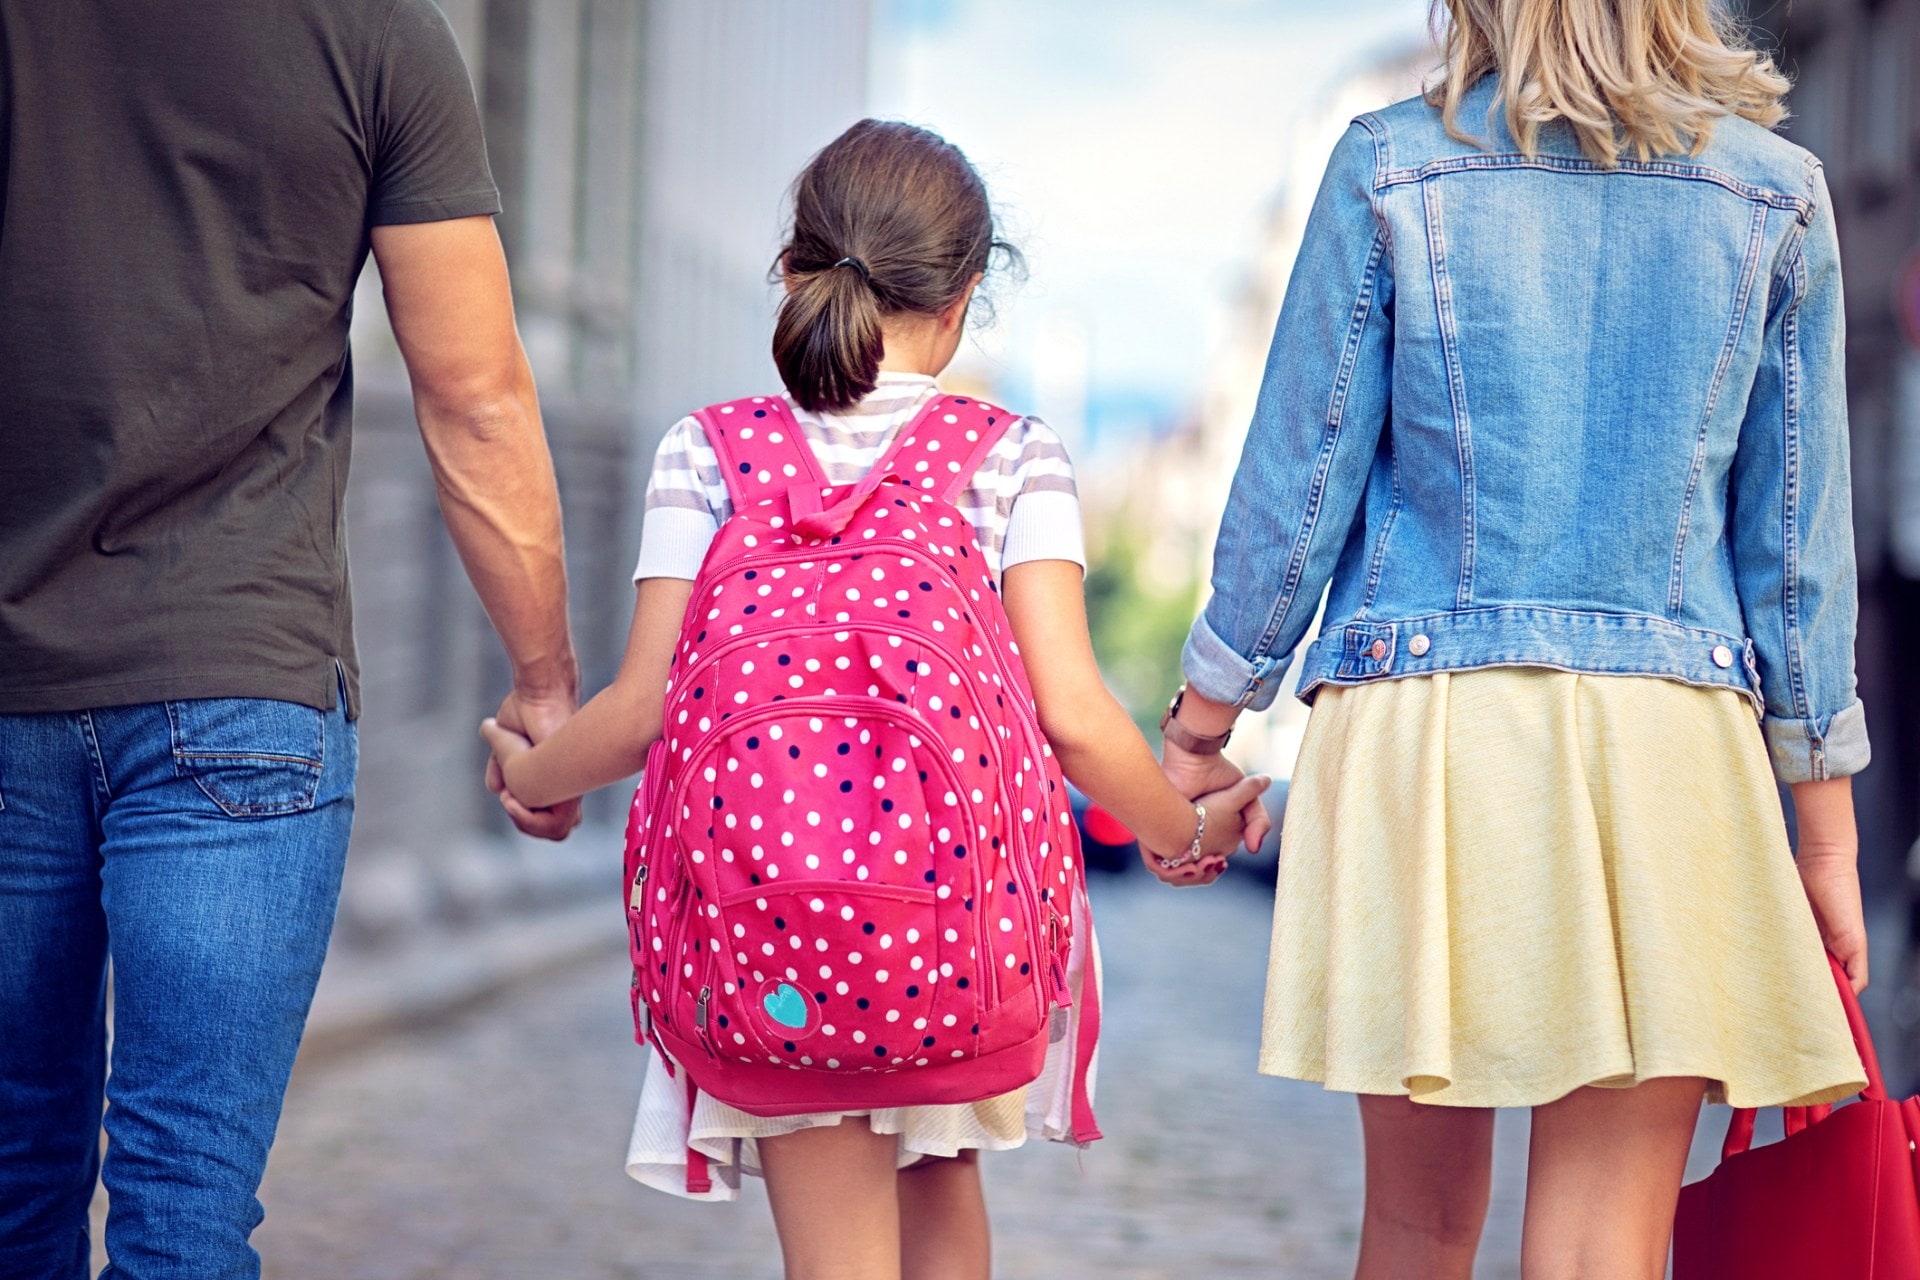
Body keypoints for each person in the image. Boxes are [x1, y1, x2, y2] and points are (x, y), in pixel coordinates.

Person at [481, 118, 1268, 1280]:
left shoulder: (708, 450)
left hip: (775, 937)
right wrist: (1187, 829)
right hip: (948, 936)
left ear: (793, 274)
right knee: (945, 1211)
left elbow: (643, 706)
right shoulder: (1010, 455)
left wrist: (526, 772)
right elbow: (1073, 715)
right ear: (960, 303)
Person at [1159, 4, 1871, 1277]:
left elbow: (1300, 480)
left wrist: (1203, 723)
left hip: (1430, 736)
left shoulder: (1389, 161)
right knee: (1605, 1238)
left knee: (1419, 1226)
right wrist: (1824, 826)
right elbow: (1795, 545)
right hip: (1671, 743)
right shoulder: (1779, 192)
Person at [0, 4, 577, 1277]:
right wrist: (545, 682)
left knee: (10, 1182)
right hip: (243, 687)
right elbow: (475, 394)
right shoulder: (376, 32)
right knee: (187, 1197)